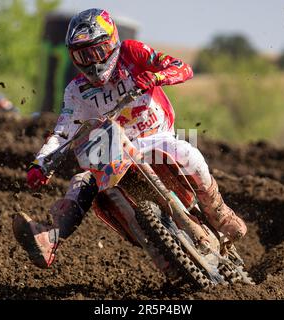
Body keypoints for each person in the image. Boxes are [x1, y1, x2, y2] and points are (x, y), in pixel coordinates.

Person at [13, 8, 247, 269]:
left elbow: (183, 68)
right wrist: (40, 164)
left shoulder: (132, 54)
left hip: (155, 138)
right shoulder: (76, 91)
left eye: (95, 52)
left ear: (111, 43)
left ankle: (218, 211)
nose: (91, 62)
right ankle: (50, 237)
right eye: (82, 55)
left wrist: (156, 76)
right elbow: (63, 132)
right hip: (112, 150)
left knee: (187, 152)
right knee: (82, 183)